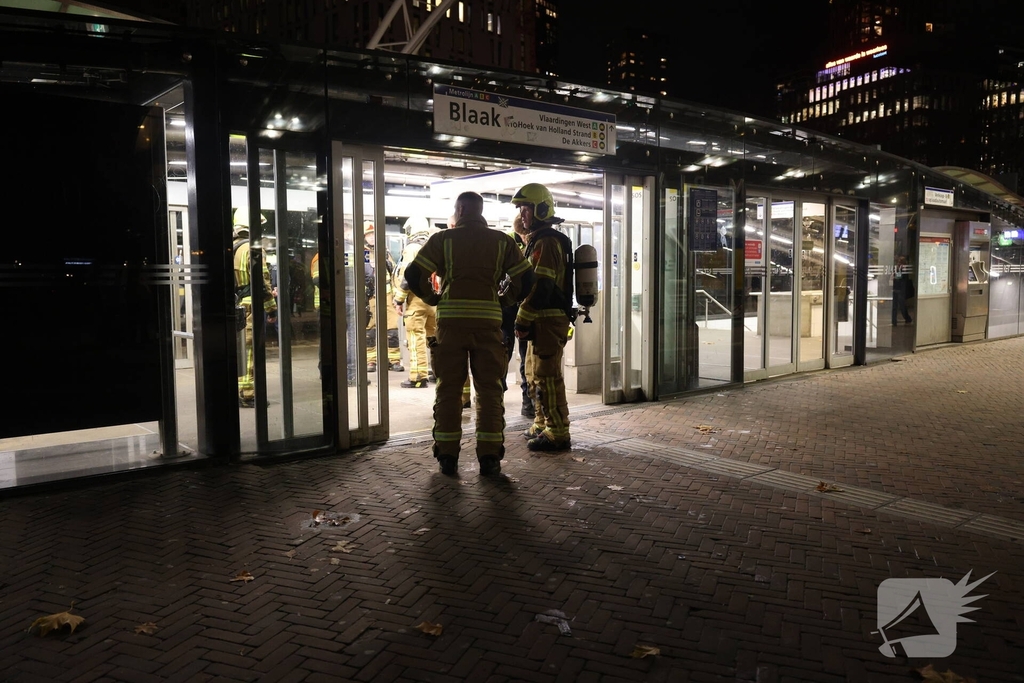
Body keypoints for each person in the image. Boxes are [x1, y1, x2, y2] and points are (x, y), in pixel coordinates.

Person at [404, 192, 533, 476]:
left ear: (460, 209)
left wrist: (433, 297)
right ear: (481, 210)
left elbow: (414, 274)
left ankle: (447, 457)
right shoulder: (502, 241)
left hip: (450, 323)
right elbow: (527, 277)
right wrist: (506, 298)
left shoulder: (442, 240)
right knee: (489, 390)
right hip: (489, 322)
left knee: (448, 390)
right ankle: (489, 458)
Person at [512, 183, 574, 452]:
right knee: (533, 374)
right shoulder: (537, 239)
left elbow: (542, 286)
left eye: (526, 208)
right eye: (521, 209)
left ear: (541, 208)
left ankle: (557, 433)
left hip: (547, 319)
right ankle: (541, 423)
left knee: (548, 377)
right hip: (540, 320)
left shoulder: (547, 241)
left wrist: (522, 318)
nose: (523, 214)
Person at [233, 209, 277, 408]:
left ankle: (239, 389)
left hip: (237, 303)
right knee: (251, 350)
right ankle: (249, 394)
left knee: (239, 348)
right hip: (252, 305)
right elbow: (262, 280)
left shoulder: (232, 247)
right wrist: (271, 307)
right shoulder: (253, 249)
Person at [393, 218, 438, 388]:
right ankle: (437, 372)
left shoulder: (412, 248)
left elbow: (408, 276)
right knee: (434, 339)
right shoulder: (432, 247)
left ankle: (418, 377)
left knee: (415, 337)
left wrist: (399, 299)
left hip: (417, 301)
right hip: (432, 301)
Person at [501, 215, 533, 417]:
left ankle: (527, 402)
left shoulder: (536, 242)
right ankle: (496, 397)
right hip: (509, 307)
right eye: (524, 235)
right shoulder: (507, 243)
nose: (526, 239)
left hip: (522, 307)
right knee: (502, 353)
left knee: (525, 357)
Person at [364, 222, 404, 373]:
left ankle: (393, 360)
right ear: (364, 238)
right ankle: (371, 360)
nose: (372, 237)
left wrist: (396, 294)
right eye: (368, 235)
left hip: (387, 295)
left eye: (374, 234)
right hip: (371, 297)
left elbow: (394, 274)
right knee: (370, 329)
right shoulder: (362, 253)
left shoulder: (385, 252)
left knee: (392, 329)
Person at [892, 255, 914, 326]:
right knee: (895, 306)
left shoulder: (903, 269)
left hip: (900, 289)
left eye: (900, 261)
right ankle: (894, 320)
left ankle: (907, 318)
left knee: (901, 305)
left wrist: (895, 274)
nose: (898, 263)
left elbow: (898, 277)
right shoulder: (898, 268)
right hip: (896, 288)